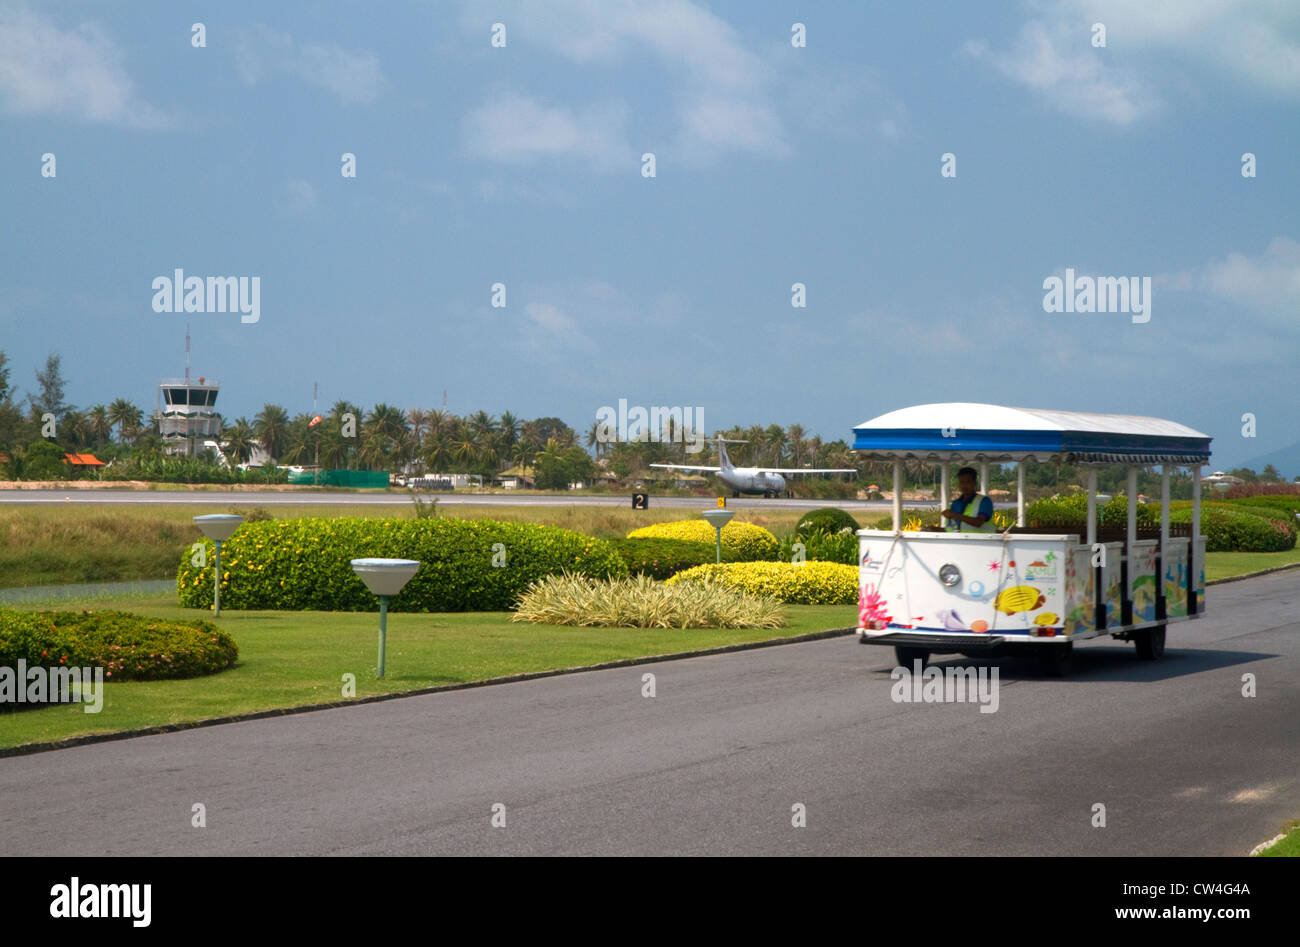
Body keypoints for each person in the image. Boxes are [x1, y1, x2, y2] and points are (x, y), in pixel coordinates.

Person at [941, 467, 994, 532]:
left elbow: (978, 522)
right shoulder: (956, 503)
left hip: (981, 541)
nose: (964, 485)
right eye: (961, 482)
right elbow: (952, 529)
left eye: (968, 482)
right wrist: (934, 529)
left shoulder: (984, 501)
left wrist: (954, 514)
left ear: (974, 483)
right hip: (960, 541)